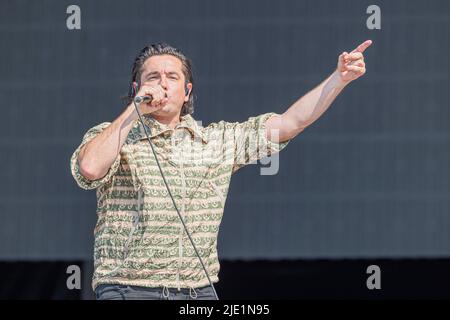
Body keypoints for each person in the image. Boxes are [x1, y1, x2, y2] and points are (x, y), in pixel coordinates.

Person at [70, 41, 371, 300]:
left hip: (196, 290)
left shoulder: (215, 141)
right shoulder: (113, 135)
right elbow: (90, 167)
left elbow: (290, 122)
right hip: (128, 288)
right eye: (153, 77)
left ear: (186, 92)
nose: (162, 83)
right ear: (136, 87)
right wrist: (134, 110)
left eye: (172, 77)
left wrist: (339, 79)